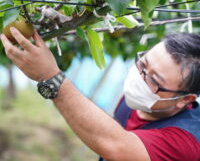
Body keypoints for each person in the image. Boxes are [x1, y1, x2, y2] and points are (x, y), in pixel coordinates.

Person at [0, 28, 200, 161]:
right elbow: (108, 132)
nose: (140, 77)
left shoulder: (188, 142)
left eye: (154, 80)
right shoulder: (138, 101)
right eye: (143, 63)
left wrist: (50, 77)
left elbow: (115, 145)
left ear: (185, 99)